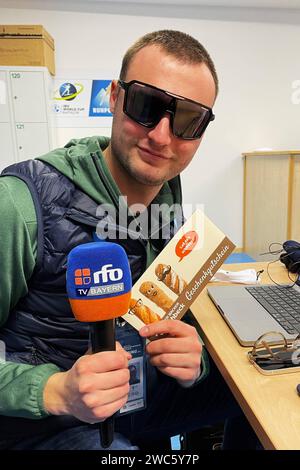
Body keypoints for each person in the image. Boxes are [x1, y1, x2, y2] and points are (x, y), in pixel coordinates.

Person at [0, 29, 259, 450]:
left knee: (267, 388)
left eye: (188, 119)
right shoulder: (20, 202)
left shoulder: (170, 208)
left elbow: (176, 325)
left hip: (139, 401)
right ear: (115, 97)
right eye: (146, 105)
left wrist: (198, 364)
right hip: (50, 424)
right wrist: (53, 390)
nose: (161, 135)